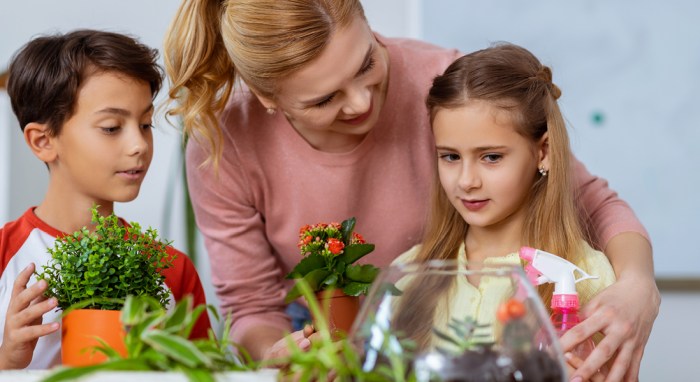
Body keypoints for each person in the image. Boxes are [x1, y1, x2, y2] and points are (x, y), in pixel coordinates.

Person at [164, 1, 659, 379]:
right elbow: (251, 305)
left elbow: (592, 200)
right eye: (324, 98)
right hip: (325, 324)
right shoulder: (224, 147)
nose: (360, 103)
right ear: (270, 99)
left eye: (365, 64)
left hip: (434, 305)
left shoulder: (443, 83)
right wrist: (292, 354)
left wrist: (636, 285)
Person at [392, 43, 619, 378]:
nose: (466, 181)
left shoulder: (587, 276)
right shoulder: (408, 274)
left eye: (491, 157)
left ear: (543, 152)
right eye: (450, 156)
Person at [0, 29, 211, 370]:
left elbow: (206, 374)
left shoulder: (173, 271)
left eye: (145, 124)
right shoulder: (4, 255)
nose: (139, 145)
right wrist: (7, 358)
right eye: (112, 127)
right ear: (42, 141)